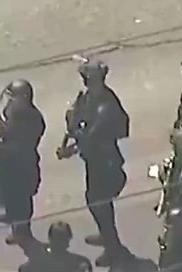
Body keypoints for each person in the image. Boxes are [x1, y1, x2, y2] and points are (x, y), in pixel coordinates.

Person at [57, 59, 131, 266]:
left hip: (105, 161)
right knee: (94, 200)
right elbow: (78, 120)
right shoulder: (89, 97)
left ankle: (113, 246)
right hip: (94, 159)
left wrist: (70, 148)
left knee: (100, 203)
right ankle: (106, 234)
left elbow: (90, 136)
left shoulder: (105, 105)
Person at [0, 79, 44, 244]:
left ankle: (22, 231)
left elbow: (22, 147)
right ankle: (12, 216)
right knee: (8, 194)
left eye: (14, 97)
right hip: (5, 163)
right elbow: (3, 121)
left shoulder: (32, 120)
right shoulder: (13, 110)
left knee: (22, 199)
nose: (10, 100)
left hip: (22, 166)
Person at [17, 221, 92, 272]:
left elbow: (23, 269)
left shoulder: (39, 257)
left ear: (50, 238)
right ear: (69, 238)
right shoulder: (79, 262)